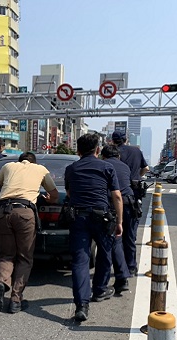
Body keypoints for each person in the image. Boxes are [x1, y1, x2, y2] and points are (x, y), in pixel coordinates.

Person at [0, 152, 59, 314]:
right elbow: (54, 195)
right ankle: (15, 300)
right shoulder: (40, 169)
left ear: (20, 160)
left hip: (2, 211)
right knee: (24, 257)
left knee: (6, 254)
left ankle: (1, 282)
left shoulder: (8, 166)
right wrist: (48, 199)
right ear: (33, 162)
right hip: (24, 212)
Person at [65, 134, 123, 322]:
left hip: (78, 218)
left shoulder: (71, 169)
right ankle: (99, 290)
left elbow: (69, 192)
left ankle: (82, 305)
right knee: (105, 253)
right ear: (97, 150)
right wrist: (120, 222)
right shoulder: (107, 167)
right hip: (102, 217)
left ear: (78, 151)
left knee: (80, 260)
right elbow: (117, 196)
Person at [111, 130, 149, 275]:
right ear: (126, 139)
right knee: (130, 235)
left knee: (114, 235)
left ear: (112, 141)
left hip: (113, 197)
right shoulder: (136, 151)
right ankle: (131, 266)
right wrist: (136, 177)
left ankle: (118, 268)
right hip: (132, 196)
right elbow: (145, 168)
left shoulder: (110, 153)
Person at [100, 144, 134, 294]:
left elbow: (114, 193)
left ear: (103, 156)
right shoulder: (125, 166)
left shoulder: (104, 166)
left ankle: (117, 279)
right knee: (128, 238)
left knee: (113, 242)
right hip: (131, 205)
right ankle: (130, 268)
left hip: (114, 205)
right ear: (118, 156)